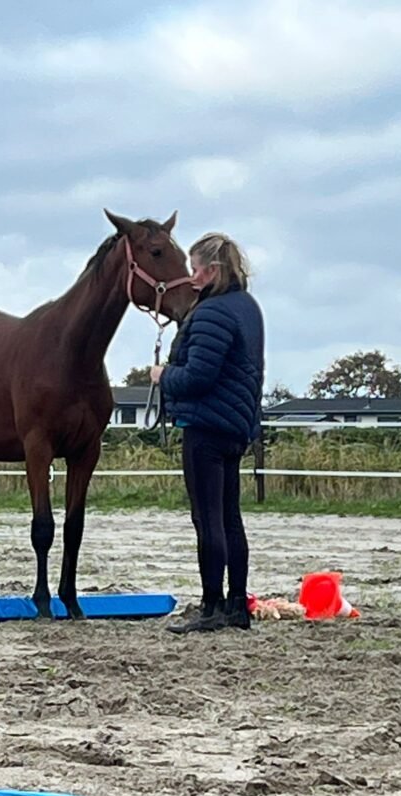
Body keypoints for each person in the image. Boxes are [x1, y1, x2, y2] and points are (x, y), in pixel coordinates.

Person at [150, 232, 264, 633]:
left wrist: (164, 376)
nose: (192, 277)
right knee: (231, 518)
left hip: (206, 427)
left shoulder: (213, 312)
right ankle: (237, 604)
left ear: (213, 270)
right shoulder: (247, 307)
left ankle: (212, 604)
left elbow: (198, 376)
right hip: (236, 426)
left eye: (196, 269)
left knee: (208, 519)